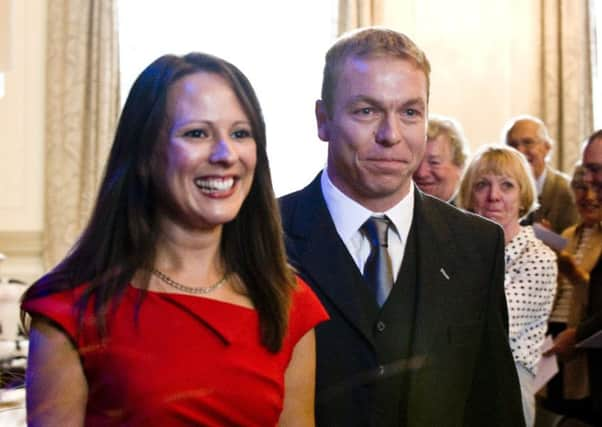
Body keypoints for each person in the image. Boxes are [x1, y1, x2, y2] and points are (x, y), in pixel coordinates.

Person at [21, 53, 328, 426]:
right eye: (197, 133)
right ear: (144, 156)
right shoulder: (70, 309)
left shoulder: (289, 303)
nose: (225, 154)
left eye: (240, 133)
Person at [279, 27, 525, 427]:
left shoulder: (476, 245)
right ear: (323, 120)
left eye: (409, 112)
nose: (390, 135)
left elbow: (493, 403)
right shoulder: (263, 238)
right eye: (366, 111)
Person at [457, 144, 557, 427]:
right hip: (456, 386)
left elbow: (492, 326)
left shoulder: (538, 257)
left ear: (523, 196)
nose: (494, 196)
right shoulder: (459, 250)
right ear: (469, 195)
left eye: (507, 186)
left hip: (506, 388)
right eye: (482, 185)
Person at [546, 129, 602, 425]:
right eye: (581, 186)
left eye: (595, 173)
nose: (589, 193)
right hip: (560, 335)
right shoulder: (570, 234)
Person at [504, 115, 578, 233]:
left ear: (547, 147)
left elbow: (577, 245)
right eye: (512, 145)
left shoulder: (567, 191)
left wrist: (551, 239)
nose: (520, 151)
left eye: (528, 142)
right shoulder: (499, 193)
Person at [413, 114, 469, 204]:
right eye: (417, 161)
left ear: (459, 166)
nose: (421, 173)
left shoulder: (475, 215)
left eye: (434, 162)